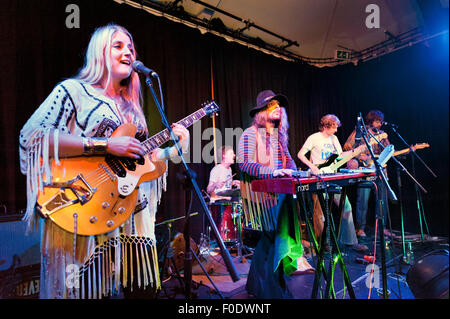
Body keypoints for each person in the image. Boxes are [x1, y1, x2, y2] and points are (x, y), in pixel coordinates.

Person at [18, 24, 190, 299]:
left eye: (131, 48)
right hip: (87, 214)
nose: (128, 52)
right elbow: (33, 137)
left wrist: (173, 150)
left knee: (143, 292)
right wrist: (105, 144)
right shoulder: (74, 91)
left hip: (133, 221)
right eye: (118, 46)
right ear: (99, 52)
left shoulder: (133, 109)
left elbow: (140, 165)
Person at [237, 90, 313, 299]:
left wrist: (300, 171)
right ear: (261, 111)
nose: (278, 107)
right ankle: (272, 291)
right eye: (272, 105)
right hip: (261, 197)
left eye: (280, 105)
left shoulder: (279, 137)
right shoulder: (250, 133)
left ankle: (257, 287)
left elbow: (289, 162)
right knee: (271, 240)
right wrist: (273, 172)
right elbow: (244, 163)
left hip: (279, 194)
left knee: (272, 240)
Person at [297, 114, 368, 252]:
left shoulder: (334, 138)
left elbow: (340, 156)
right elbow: (300, 154)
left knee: (346, 207)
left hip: (333, 176)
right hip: (319, 177)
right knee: (320, 213)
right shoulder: (314, 138)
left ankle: (350, 242)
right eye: (334, 127)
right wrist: (311, 166)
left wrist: (355, 151)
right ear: (325, 126)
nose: (336, 130)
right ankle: (323, 244)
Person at [344, 110, 390, 237]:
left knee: (382, 201)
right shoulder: (360, 132)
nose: (379, 124)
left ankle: (381, 228)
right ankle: (360, 228)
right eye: (377, 121)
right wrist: (362, 156)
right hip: (365, 171)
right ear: (370, 121)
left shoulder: (382, 134)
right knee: (362, 201)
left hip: (379, 171)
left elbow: (388, 150)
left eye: (380, 121)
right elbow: (347, 147)